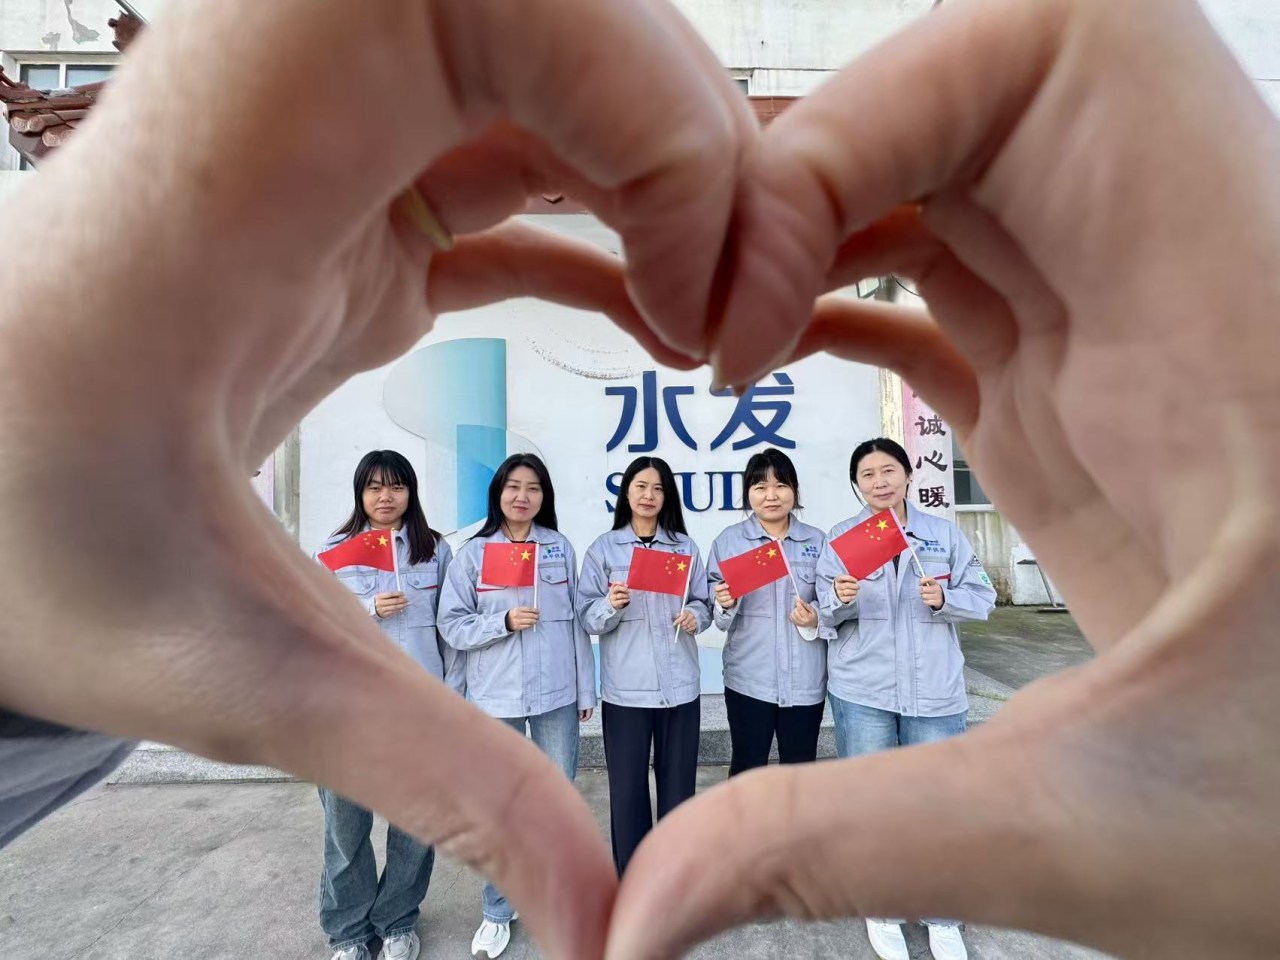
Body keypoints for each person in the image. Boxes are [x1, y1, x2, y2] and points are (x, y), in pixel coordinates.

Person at [1, 0, 1278, 958]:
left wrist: (784, 602)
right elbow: (513, 611)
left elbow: (819, 605)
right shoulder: (561, 551)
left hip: (820, 673)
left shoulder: (822, 538)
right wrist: (604, 608)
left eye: (878, 471)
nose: (714, 502)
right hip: (579, 676)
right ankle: (399, 923)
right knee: (520, 809)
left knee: (774, 785)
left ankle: (918, 912)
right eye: (513, 496)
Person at [814, 437, 994, 960]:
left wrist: (946, 599)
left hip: (933, 689)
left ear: (908, 474)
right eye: (867, 475)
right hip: (863, 688)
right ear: (856, 484)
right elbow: (823, 612)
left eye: (888, 470)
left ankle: (941, 915)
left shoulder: (942, 535)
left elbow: (982, 597)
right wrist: (839, 598)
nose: (880, 482)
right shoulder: (842, 538)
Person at [436, 453, 596, 959]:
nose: (522, 496)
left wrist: (585, 690)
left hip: (556, 696)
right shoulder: (473, 554)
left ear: (544, 496)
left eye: (533, 488)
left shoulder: (559, 549)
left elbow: (575, 624)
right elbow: (451, 626)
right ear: (498, 494)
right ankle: (498, 910)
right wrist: (502, 622)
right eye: (513, 487)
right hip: (496, 696)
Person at [314, 451, 461, 960]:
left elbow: (451, 632)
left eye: (396, 486)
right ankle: (349, 933)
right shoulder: (335, 551)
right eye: (374, 487)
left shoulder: (434, 551)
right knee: (346, 831)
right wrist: (367, 608)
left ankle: (397, 922)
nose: (385, 497)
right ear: (360, 493)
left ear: (410, 493)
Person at [577, 456, 711, 874]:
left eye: (657, 488)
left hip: (679, 687)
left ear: (667, 496)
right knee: (628, 792)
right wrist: (610, 605)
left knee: (678, 792)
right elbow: (586, 615)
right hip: (627, 691)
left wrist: (696, 616)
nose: (649, 495)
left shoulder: (684, 548)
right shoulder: (604, 549)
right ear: (627, 493)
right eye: (640, 486)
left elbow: (703, 602)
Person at [706, 448, 827, 775]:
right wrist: (725, 603)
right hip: (749, 679)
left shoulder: (817, 541)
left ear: (794, 491)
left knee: (800, 772)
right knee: (747, 770)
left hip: (805, 679)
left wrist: (816, 616)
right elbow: (717, 616)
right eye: (760, 487)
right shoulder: (729, 543)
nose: (771, 496)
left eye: (781, 486)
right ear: (748, 493)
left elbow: (834, 601)